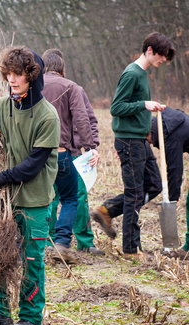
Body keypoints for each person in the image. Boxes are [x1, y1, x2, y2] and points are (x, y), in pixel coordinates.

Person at [0, 46, 60, 325]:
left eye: (18, 74)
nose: (12, 79)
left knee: (32, 259)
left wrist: (0, 179)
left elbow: (33, 164)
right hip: (2, 200)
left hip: (34, 199)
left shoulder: (47, 116)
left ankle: (31, 317)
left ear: (32, 76)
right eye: (8, 73)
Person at [91, 32, 174, 257]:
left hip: (138, 141)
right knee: (135, 192)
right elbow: (116, 108)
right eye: (162, 56)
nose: (163, 61)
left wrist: (148, 110)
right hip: (129, 141)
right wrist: (143, 104)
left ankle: (108, 210)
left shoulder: (142, 74)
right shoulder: (131, 73)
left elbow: (133, 107)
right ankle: (131, 248)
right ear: (149, 50)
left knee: (154, 184)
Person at [41, 49, 99, 257]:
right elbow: (84, 119)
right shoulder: (71, 86)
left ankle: (45, 240)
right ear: (61, 67)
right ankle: (62, 243)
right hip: (64, 152)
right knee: (72, 198)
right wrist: (91, 147)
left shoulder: (32, 86)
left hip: (36, 153)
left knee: (44, 197)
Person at [149, 107, 189, 251]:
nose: (149, 144)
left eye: (147, 140)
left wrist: (172, 197)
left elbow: (174, 169)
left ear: (151, 133)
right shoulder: (168, 122)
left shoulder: (172, 136)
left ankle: (188, 247)